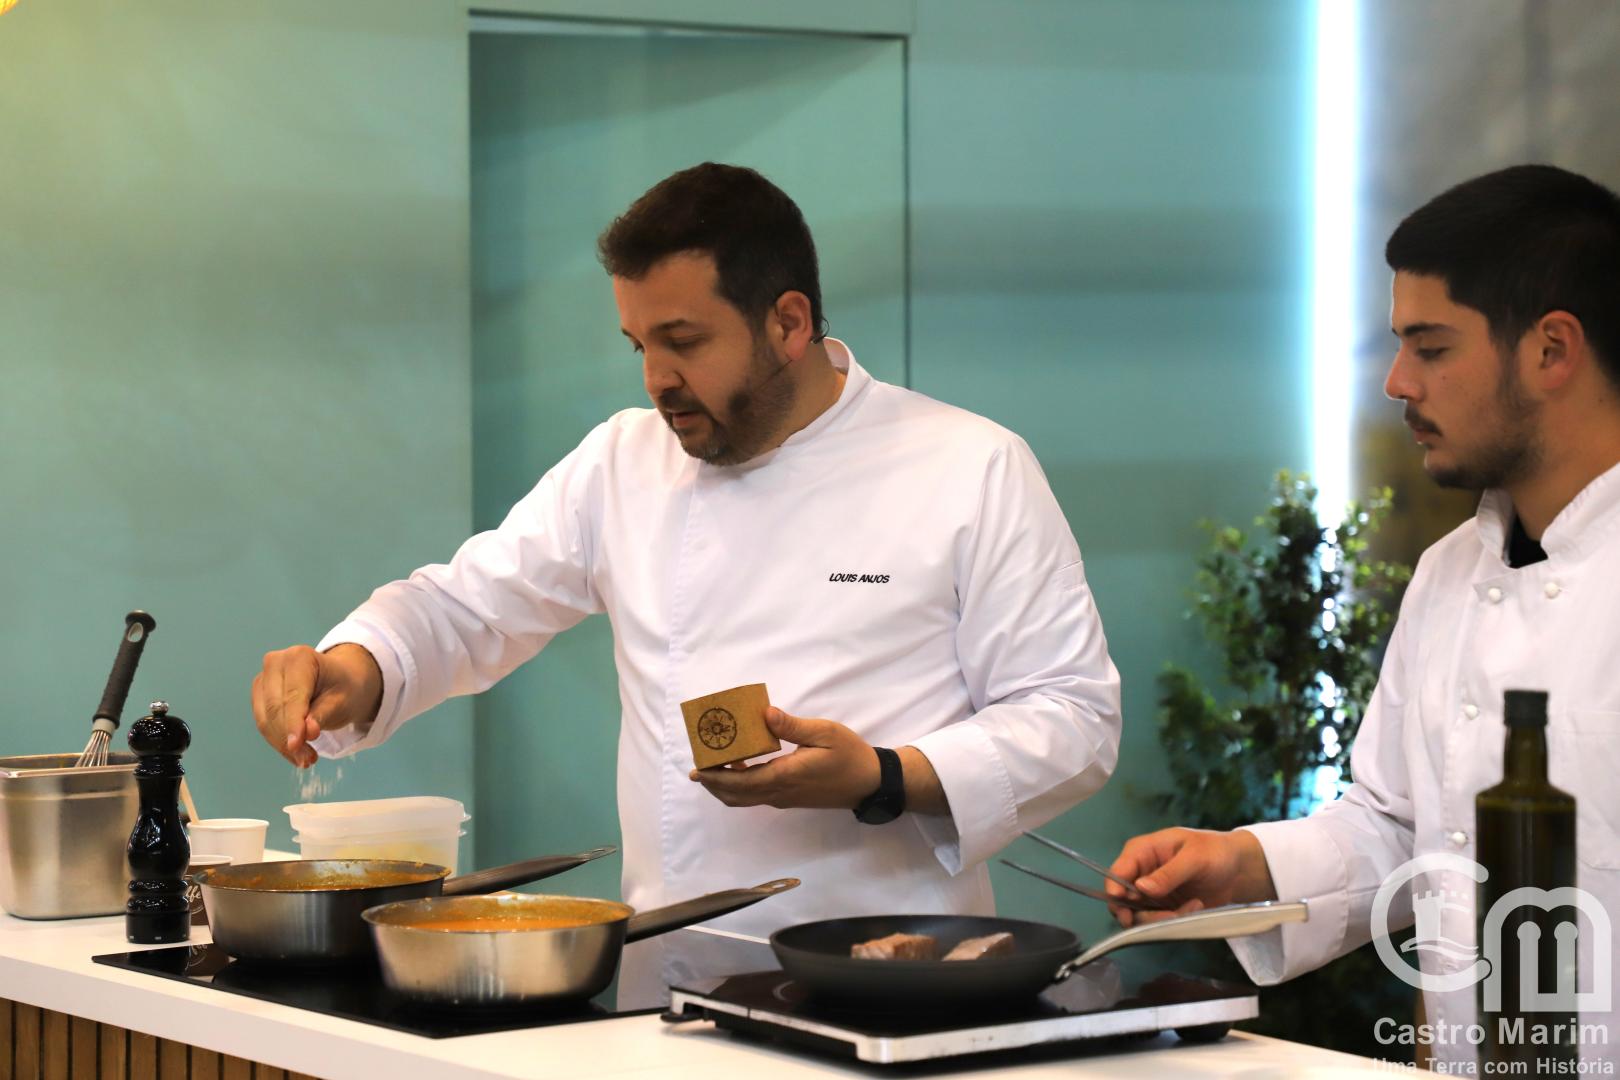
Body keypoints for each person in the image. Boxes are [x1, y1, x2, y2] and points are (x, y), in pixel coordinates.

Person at [251, 163, 1122, 1005]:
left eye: (684, 342)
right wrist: (357, 664)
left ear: (788, 322)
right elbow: (465, 607)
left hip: (889, 982)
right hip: (667, 989)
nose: (655, 380)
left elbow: (1073, 716)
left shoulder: (968, 466)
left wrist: (884, 776)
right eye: (639, 345)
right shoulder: (622, 462)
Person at [1107, 164, 1620, 1067]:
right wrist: (1243, 865)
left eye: (1431, 348)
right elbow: (1402, 825)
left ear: (1551, 350)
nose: (1395, 382)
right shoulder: (1448, 574)